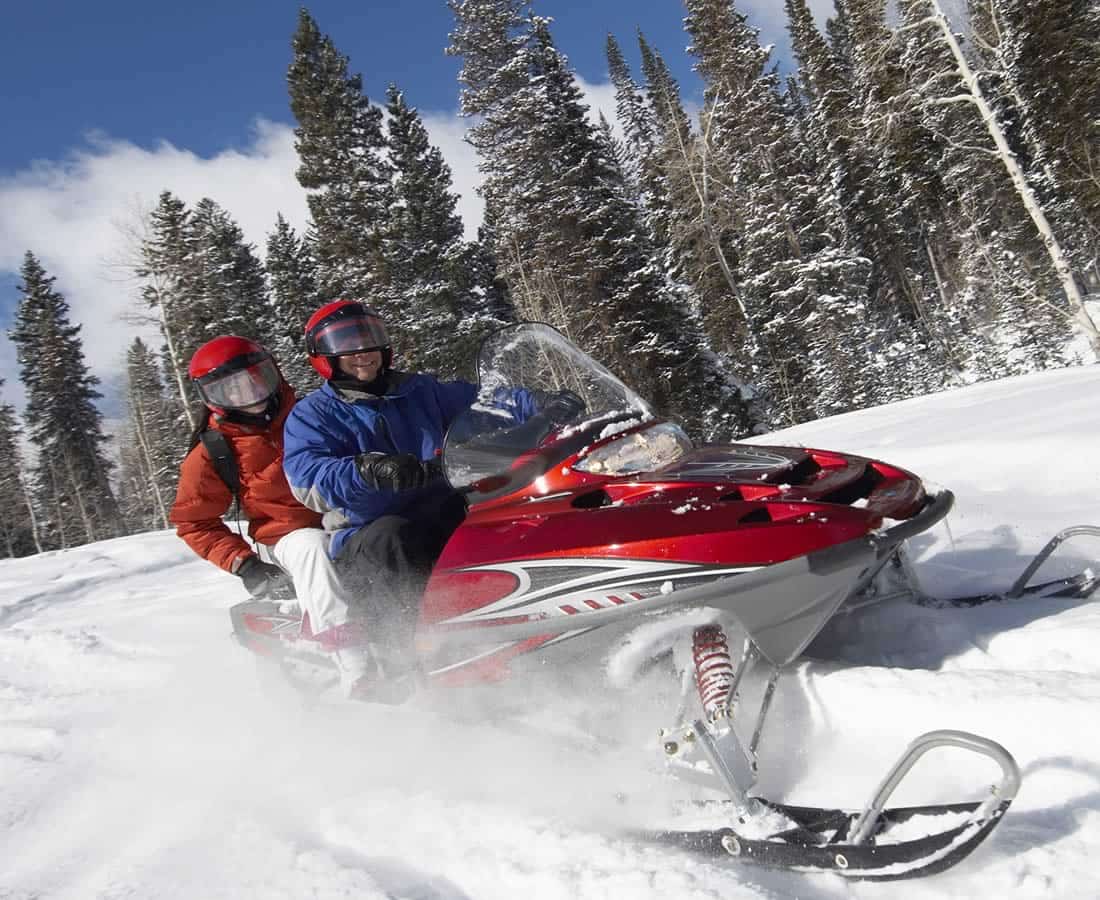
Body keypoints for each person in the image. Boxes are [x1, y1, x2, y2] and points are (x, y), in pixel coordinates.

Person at [282, 302, 588, 700]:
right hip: (367, 532)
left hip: (445, 505)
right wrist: (366, 471)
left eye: (369, 338)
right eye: (347, 344)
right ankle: (409, 663)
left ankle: (535, 624)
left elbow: (486, 403)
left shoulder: (421, 391)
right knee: (397, 537)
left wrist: (540, 404)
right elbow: (308, 477)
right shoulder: (313, 414)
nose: (362, 351)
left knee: (505, 516)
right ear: (324, 357)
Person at [169, 335, 367, 696]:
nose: (248, 393)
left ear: (272, 372)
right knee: (312, 547)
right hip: (285, 538)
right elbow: (194, 520)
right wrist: (245, 565)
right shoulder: (214, 450)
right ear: (211, 397)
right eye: (230, 389)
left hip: (346, 517)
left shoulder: (309, 413)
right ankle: (354, 662)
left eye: (255, 378)